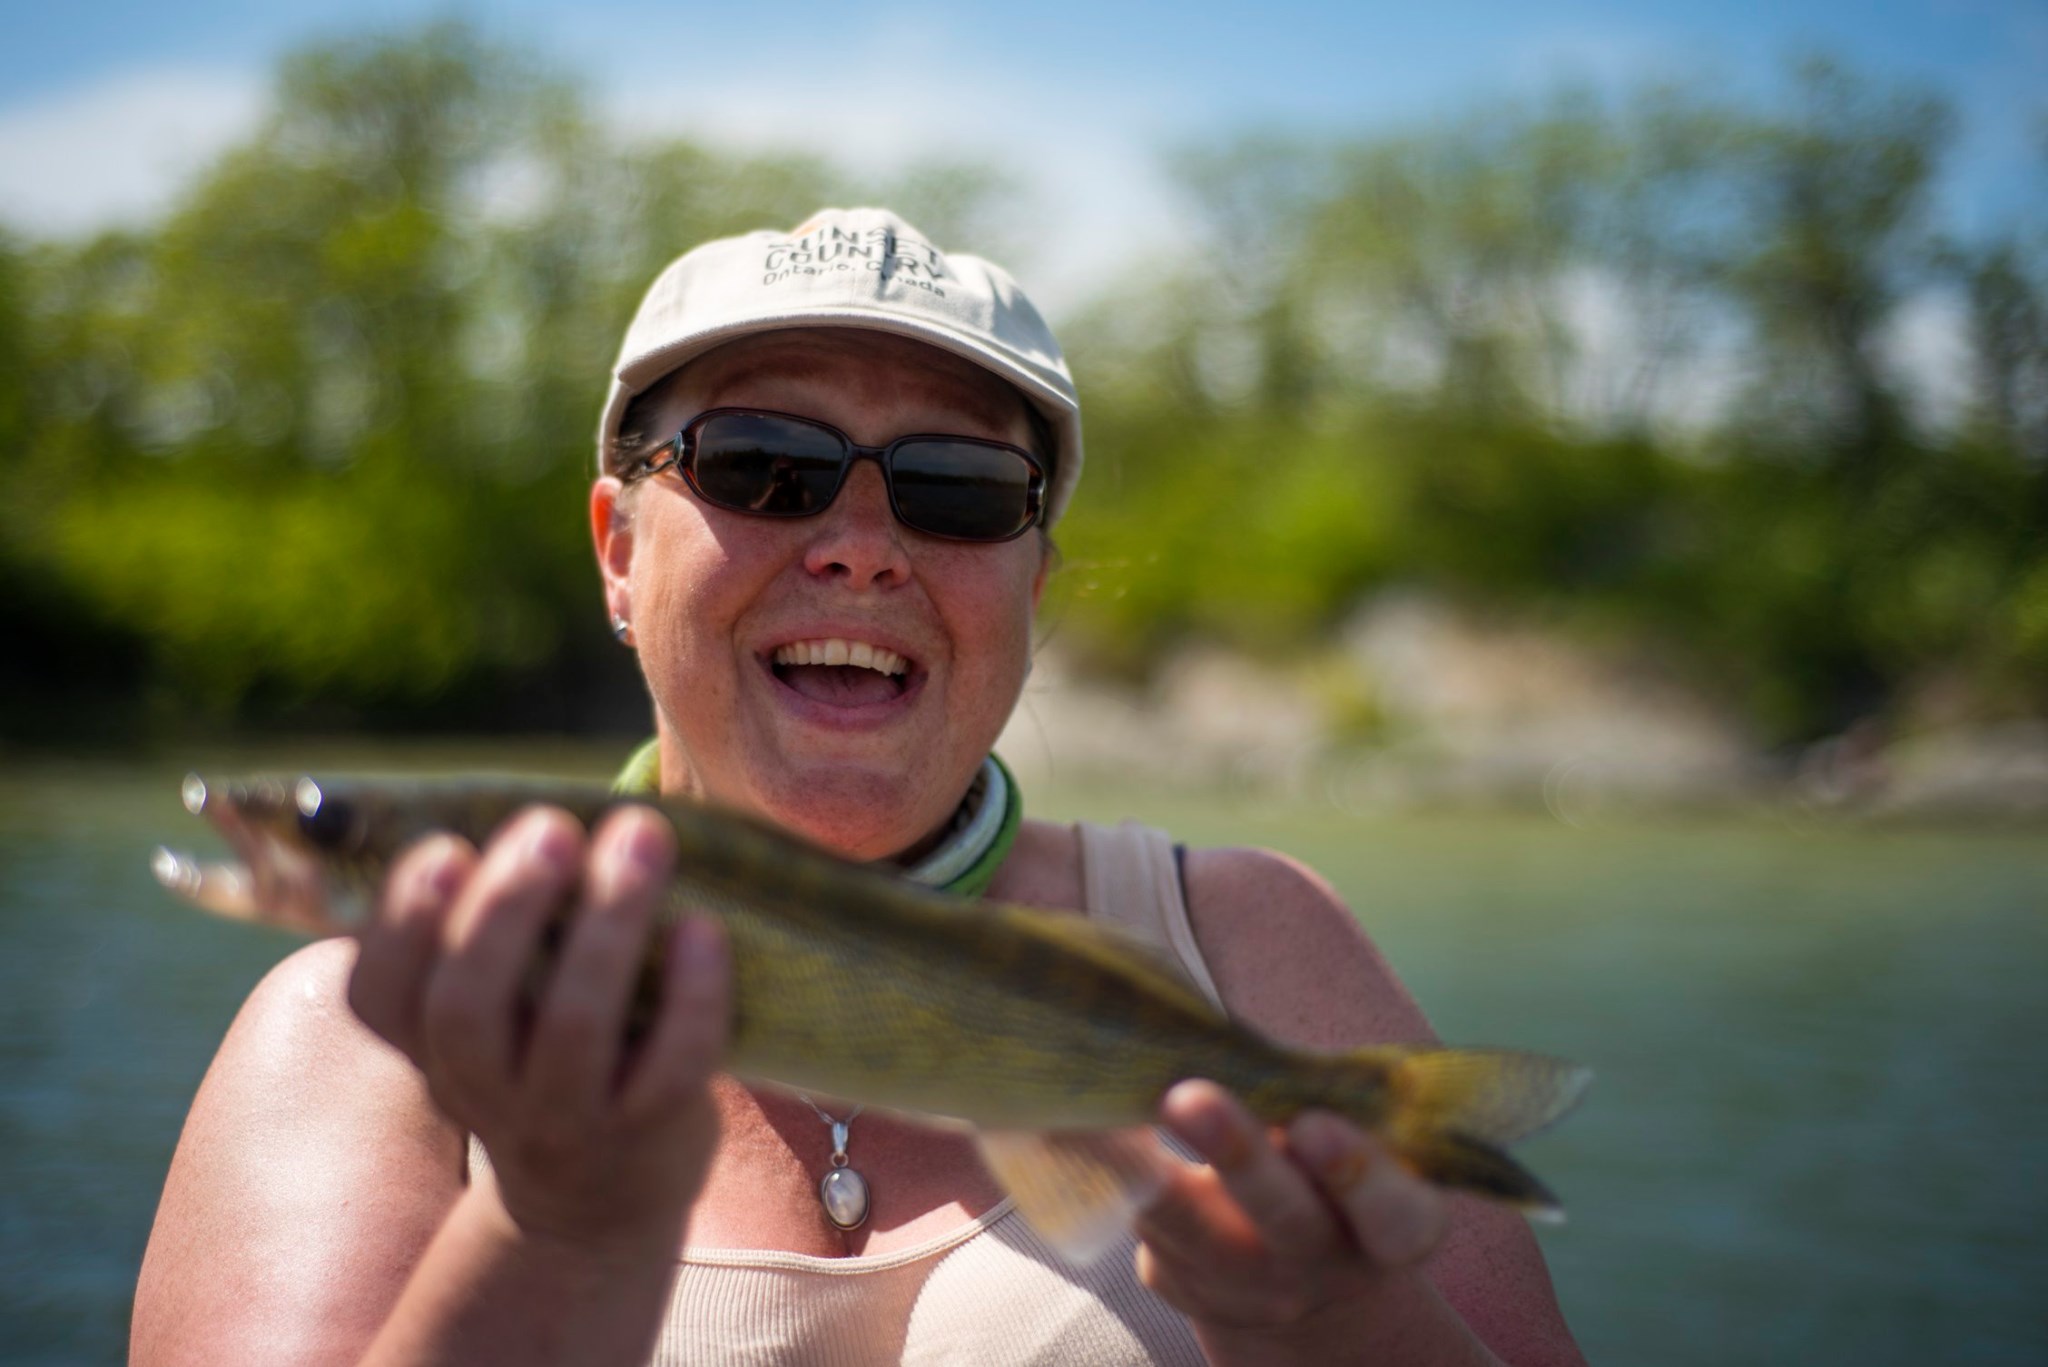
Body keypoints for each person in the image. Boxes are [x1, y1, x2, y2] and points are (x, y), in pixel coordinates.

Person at [131, 208, 1586, 1366]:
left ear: (1035, 582)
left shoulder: (1249, 944)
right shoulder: (365, 1030)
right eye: (765, 466)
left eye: (957, 489)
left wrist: (1334, 1328)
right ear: (618, 552)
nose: (860, 545)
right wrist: (556, 1237)